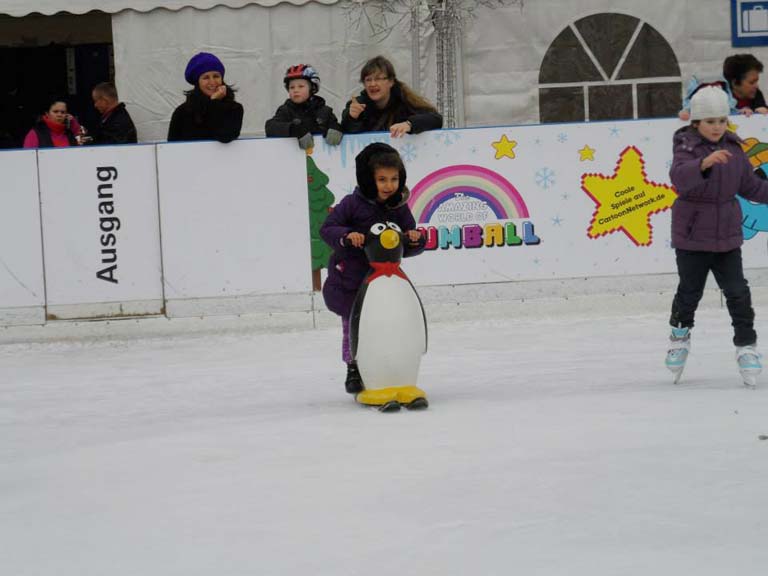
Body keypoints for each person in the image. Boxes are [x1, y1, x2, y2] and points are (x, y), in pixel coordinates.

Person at [666, 86, 768, 387]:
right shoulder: (685, 147)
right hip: (693, 235)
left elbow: (751, 187)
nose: (716, 127)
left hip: (726, 236)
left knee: (738, 292)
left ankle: (746, 346)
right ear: (696, 122)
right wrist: (704, 164)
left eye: (721, 120)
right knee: (689, 292)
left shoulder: (735, 150)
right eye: (710, 121)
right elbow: (679, 178)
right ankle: (679, 336)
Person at [320, 143, 425, 394]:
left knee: (386, 325)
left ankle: (388, 366)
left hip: (386, 280)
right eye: (381, 179)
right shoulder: (352, 204)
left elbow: (408, 243)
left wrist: (414, 238)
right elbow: (328, 228)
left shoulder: (398, 207)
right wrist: (348, 235)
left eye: (394, 179)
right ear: (369, 179)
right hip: (353, 280)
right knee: (353, 325)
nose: (389, 185)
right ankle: (353, 366)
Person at [341, 55, 442, 137]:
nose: (372, 84)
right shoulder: (357, 105)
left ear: (391, 82)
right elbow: (344, 134)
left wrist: (409, 124)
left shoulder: (405, 100)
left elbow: (436, 119)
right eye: (368, 80)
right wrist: (352, 118)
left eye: (378, 78)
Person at [167, 52, 243, 143]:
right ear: (197, 83)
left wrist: (214, 102)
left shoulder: (234, 108)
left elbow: (225, 136)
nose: (212, 82)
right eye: (206, 77)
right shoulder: (183, 112)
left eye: (216, 76)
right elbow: (171, 147)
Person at [265, 64, 343, 150]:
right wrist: (295, 130)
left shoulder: (325, 111)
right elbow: (270, 127)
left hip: (323, 160)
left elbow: (335, 124)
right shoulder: (285, 110)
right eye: (292, 87)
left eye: (301, 86)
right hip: (294, 159)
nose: (295, 90)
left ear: (312, 88)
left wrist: (337, 128)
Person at [678, 54, 768, 120]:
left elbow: (761, 113)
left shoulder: (756, 94)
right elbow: (693, 105)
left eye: (757, 81)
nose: (756, 86)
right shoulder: (715, 91)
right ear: (734, 82)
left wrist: (761, 113)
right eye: (752, 82)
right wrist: (687, 111)